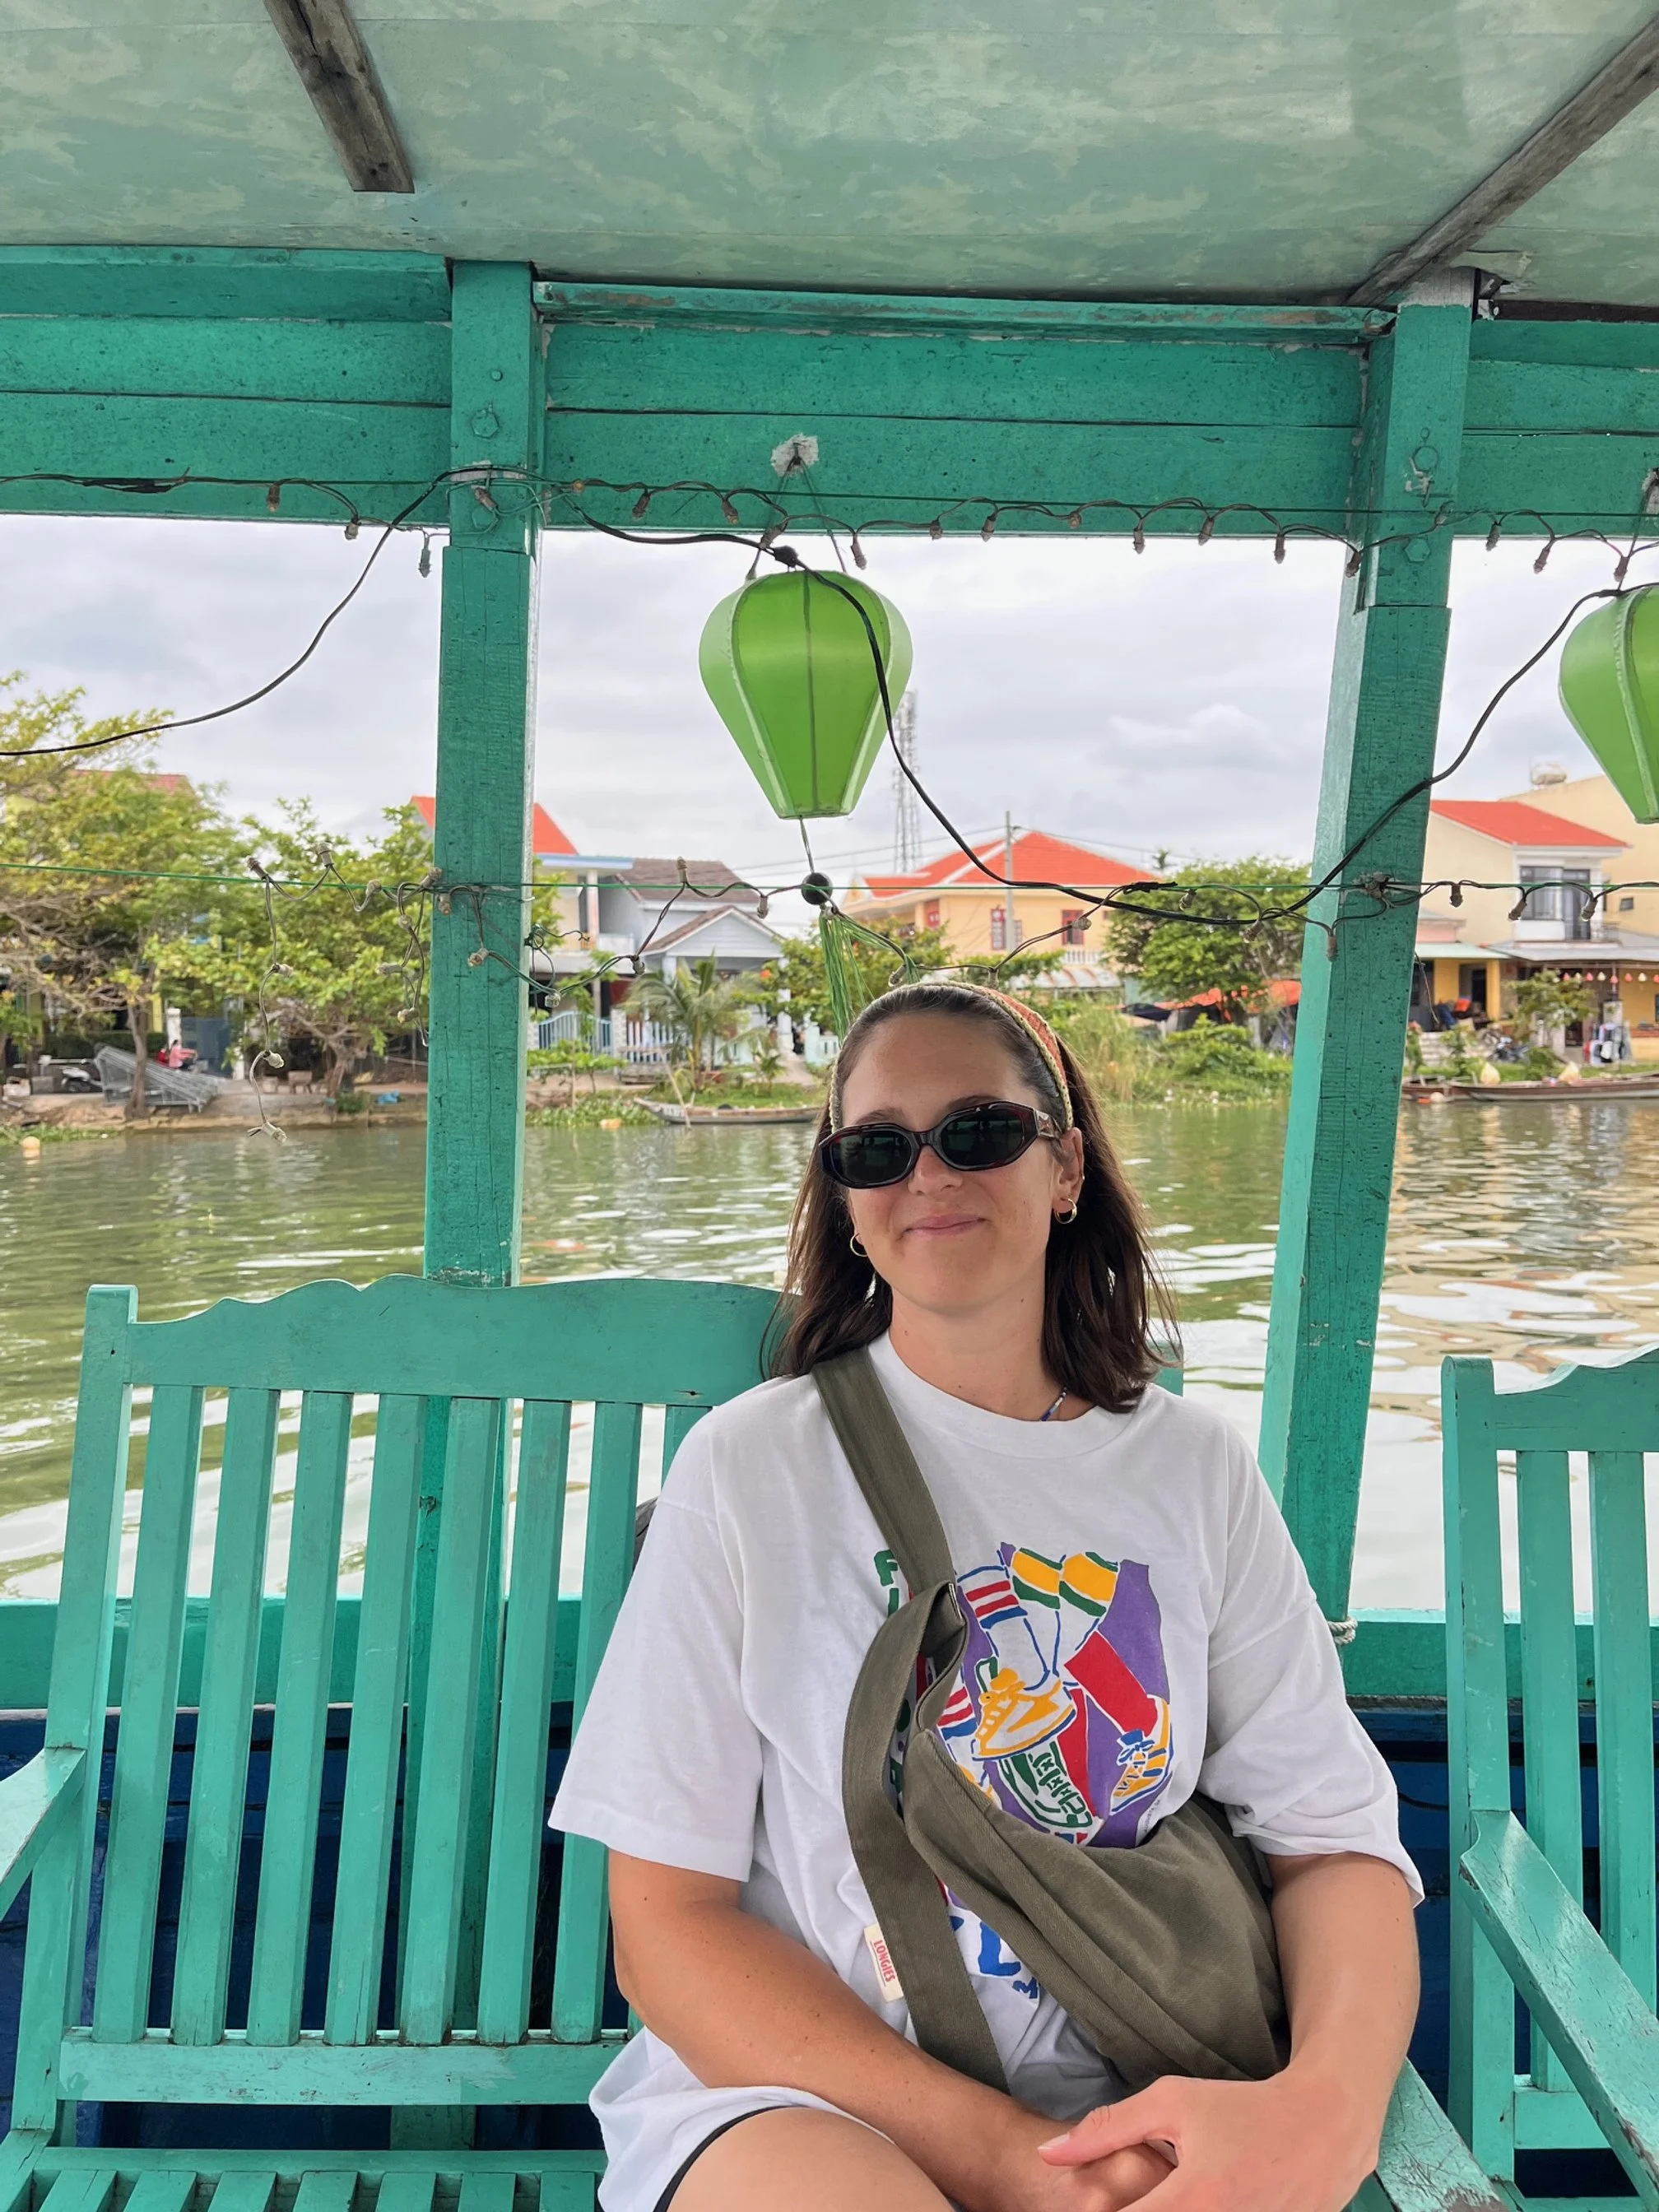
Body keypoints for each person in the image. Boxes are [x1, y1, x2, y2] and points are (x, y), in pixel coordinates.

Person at [551, 981, 1420, 2212]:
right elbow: (667, 1926)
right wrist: (1005, 2161)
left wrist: (1327, 2114)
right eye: (878, 1149)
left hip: (1150, 2081)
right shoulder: (751, 1469)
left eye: (980, 1132)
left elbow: (1334, 1840)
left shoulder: (1193, 1470)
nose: (929, 1175)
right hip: (806, 2101)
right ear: (846, 1201)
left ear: (1065, 1166)